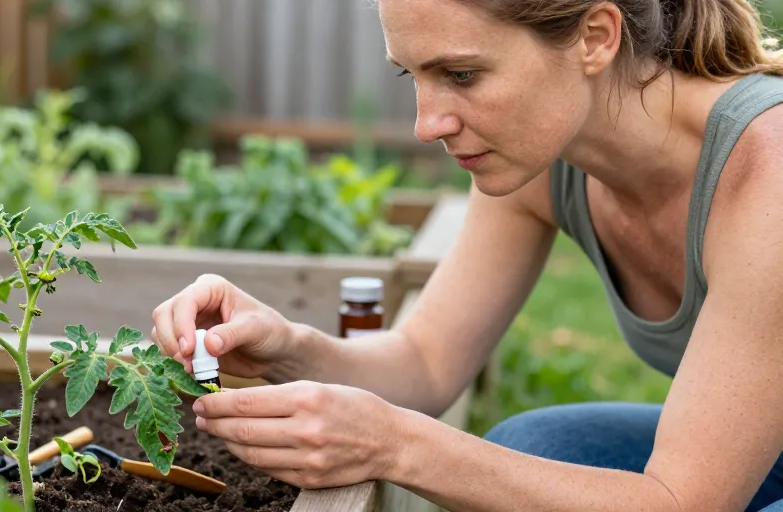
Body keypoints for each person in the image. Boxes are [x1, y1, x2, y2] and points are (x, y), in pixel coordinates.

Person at [150, 1, 783, 510]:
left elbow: (681, 502)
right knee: (531, 446)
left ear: (595, 36)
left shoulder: (766, 177)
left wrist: (395, 446)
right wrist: (286, 348)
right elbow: (426, 363)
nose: (428, 124)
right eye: (413, 75)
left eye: (460, 75)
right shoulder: (541, 154)